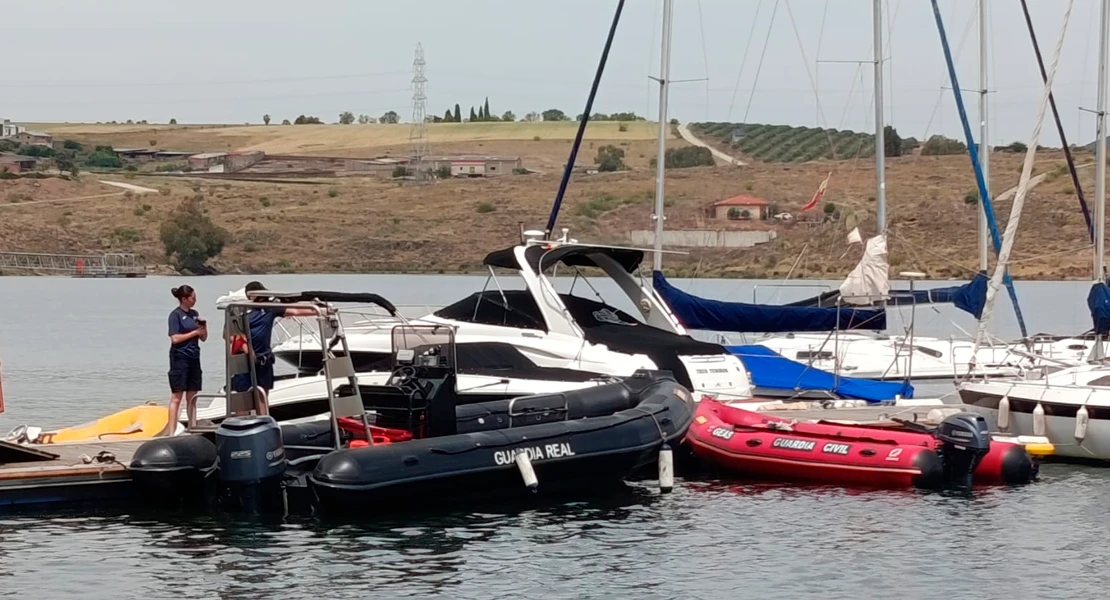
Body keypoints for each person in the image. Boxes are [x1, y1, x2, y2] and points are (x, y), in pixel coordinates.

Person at [231, 281, 319, 415]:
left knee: (263, 393)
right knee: (243, 395)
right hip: (243, 358)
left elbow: (295, 311)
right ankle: (241, 423)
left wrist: (320, 311)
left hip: (263, 358)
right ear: (252, 296)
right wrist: (247, 348)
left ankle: (264, 419)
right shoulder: (239, 310)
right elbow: (231, 335)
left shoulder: (269, 309)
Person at [166, 285, 207, 435]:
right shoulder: (175, 315)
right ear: (184, 299)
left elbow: (203, 338)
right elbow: (175, 338)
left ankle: (192, 426)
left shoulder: (195, 314)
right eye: (192, 298)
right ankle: (171, 431)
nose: (194, 301)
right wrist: (194, 332)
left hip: (194, 357)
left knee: (193, 395)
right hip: (179, 358)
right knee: (177, 395)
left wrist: (203, 329)